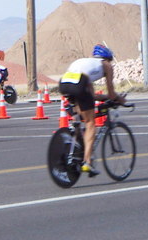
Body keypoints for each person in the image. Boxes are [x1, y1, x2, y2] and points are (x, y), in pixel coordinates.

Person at [59, 44, 126, 177]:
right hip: (79, 84)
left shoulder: (85, 64)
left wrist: (105, 97)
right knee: (90, 123)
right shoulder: (106, 65)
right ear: (107, 58)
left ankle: (76, 145)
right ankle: (87, 162)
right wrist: (120, 100)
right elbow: (112, 93)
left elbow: (92, 95)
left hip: (64, 83)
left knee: (79, 117)